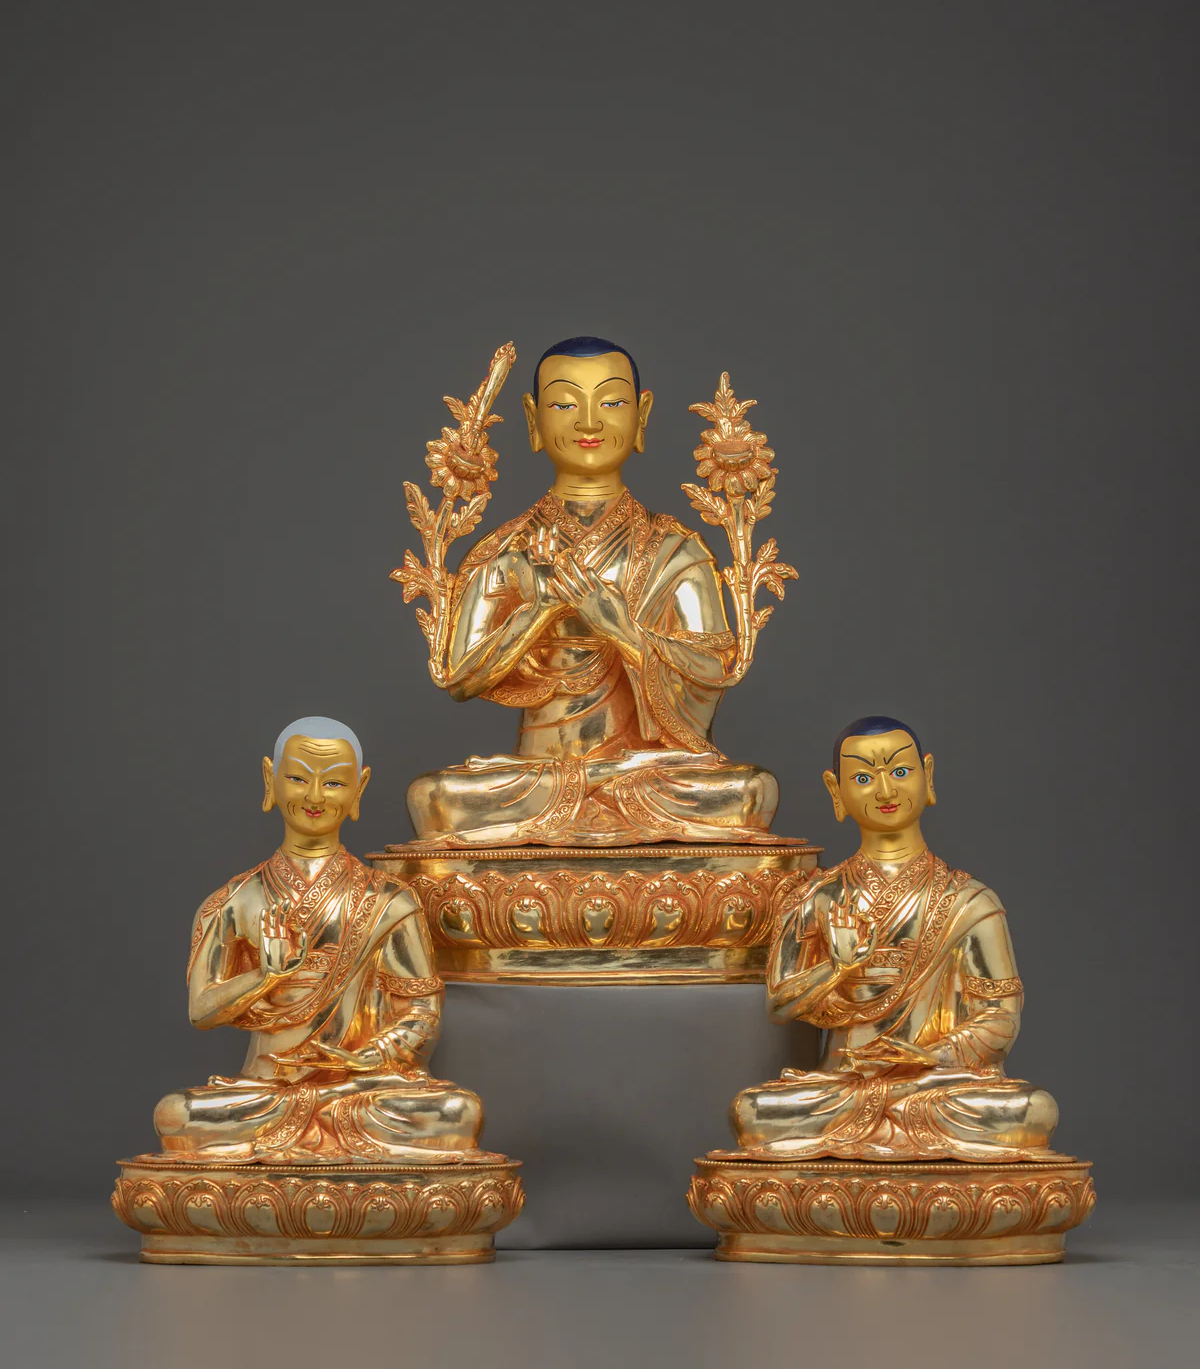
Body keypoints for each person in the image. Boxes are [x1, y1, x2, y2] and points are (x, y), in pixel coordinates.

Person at [406, 337, 780, 845]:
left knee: (749, 791)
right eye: (564, 405)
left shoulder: (675, 549)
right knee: (436, 798)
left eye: (611, 402)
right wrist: (536, 610)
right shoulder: (509, 550)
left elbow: (711, 672)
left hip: (645, 774)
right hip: (538, 776)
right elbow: (460, 677)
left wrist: (622, 629)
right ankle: (588, 796)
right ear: (534, 420)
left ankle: (599, 796)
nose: (588, 422)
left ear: (641, 416)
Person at [154, 717, 486, 1162]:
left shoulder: (388, 900)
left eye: (333, 783)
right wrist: (266, 976)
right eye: (297, 778)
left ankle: (322, 1122)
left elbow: (421, 1010)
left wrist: (368, 1058)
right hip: (266, 1089)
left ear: (358, 790)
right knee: (178, 1114)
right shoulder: (235, 900)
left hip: (358, 1089)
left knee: (455, 1113)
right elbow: (201, 1010)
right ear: (270, 780)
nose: (314, 796)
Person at [730, 715, 1059, 1160]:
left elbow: (1001, 1017)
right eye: (863, 778)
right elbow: (780, 1005)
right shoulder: (818, 896)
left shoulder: (970, 901)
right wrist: (838, 968)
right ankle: (898, 1132)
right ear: (836, 791)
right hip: (845, 1083)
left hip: (936, 1084)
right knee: (755, 1111)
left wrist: (932, 1057)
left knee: (1030, 1110)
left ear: (928, 776)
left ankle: (885, 1127)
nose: (885, 792)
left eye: (900, 771)